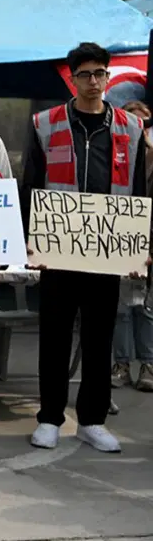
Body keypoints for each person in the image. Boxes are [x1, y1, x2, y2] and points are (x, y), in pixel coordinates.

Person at [22, 42, 148, 454]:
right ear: (72, 79)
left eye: (100, 74)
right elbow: (32, 186)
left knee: (99, 336)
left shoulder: (129, 128)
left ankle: (92, 419)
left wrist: (138, 246)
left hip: (108, 251)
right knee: (54, 337)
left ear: (108, 78)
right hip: (58, 249)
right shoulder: (45, 123)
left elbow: (140, 192)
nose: (93, 82)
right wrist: (31, 239)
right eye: (85, 75)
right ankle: (49, 418)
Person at [113, 99, 153, 391]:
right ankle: (121, 365)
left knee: (148, 310)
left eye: (146, 124)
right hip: (121, 243)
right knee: (122, 308)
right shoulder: (116, 161)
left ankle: (148, 367)